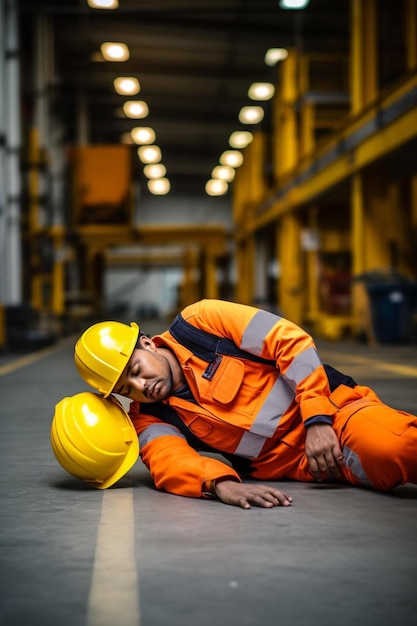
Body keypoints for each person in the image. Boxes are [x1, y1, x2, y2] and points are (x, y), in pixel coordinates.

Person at [73, 298, 417, 509]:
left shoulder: (201, 323)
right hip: (302, 471)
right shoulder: (148, 417)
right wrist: (221, 484)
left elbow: (289, 341)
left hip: (335, 414)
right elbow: (169, 460)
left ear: (147, 344)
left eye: (135, 370)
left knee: (395, 448)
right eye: (125, 388)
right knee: (380, 469)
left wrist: (317, 420)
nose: (140, 386)